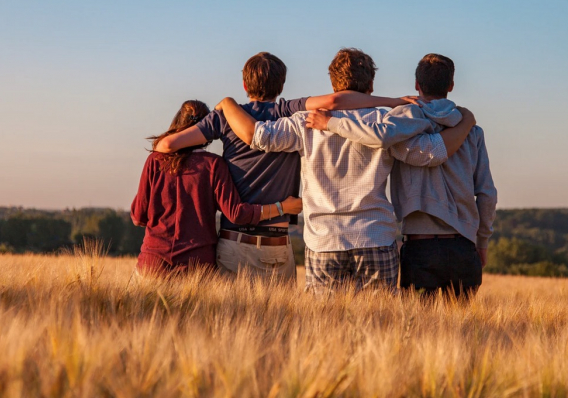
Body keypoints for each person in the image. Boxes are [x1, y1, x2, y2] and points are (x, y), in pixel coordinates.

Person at [215, 48, 476, 293]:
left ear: (333, 85)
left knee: (325, 329)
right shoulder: (386, 122)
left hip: (324, 241)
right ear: (371, 86)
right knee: (379, 327)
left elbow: (258, 136)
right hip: (375, 237)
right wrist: (466, 122)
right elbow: (431, 153)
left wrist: (227, 104)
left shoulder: (304, 122)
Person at [154, 52, 420, 282]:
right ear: (281, 85)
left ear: (245, 85)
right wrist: (393, 101)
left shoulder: (225, 117)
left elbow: (166, 146)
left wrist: (223, 109)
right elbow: (334, 102)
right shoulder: (288, 111)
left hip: (234, 241)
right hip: (278, 243)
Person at [307, 53, 497, 299]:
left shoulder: (400, 123)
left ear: (417, 84)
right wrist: (482, 242)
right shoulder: (472, 131)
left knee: (417, 331)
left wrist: (331, 123)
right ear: (451, 86)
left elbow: (379, 136)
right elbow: (487, 193)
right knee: (461, 332)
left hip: (420, 247)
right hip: (464, 246)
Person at [130, 99, 302, 276]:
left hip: (153, 263)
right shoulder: (213, 165)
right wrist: (282, 207)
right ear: (207, 129)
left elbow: (138, 216)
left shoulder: (155, 160)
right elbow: (237, 213)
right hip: (197, 267)